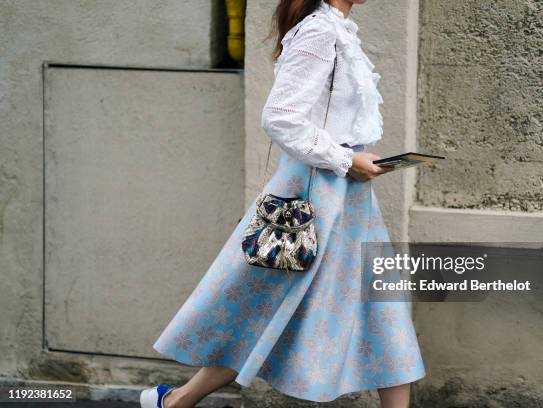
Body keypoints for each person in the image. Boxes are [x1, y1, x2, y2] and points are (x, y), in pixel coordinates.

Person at [140, 1, 425, 407]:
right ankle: (177, 401)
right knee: (270, 307)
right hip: (315, 197)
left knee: (379, 307)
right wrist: (347, 159)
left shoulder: (339, 29)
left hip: (349, 196)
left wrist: (357, 159)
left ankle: (176, 402)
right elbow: (280, 117)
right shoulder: (319, 32)